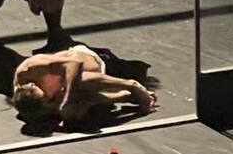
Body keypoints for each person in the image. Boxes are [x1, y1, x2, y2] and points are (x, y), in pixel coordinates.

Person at [12, 44, 157, 125]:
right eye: (48, 102)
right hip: (83, 83)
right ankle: (126, 97)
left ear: (32, 85)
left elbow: (74, 63)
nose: (50, 100)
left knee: (78, 81)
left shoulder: (30, 68)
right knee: (74, 113)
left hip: (92, 61)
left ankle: (131, 85)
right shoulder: (28, 103)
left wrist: (68, 98)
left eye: (47, 97)